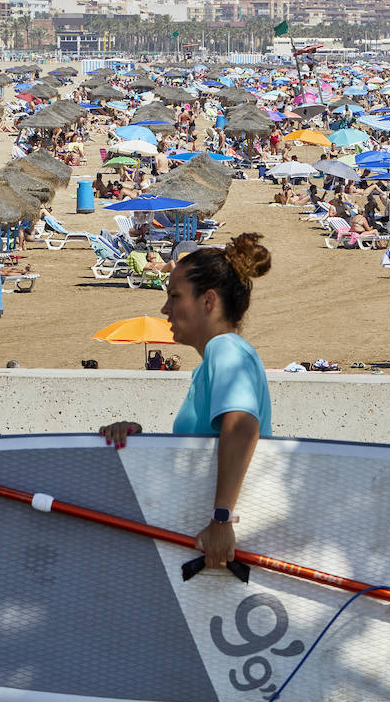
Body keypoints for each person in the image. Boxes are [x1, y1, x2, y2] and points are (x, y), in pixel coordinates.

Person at [98, 233, 273, 570]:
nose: (165, 309)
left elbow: (241, 429)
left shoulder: (226, 349)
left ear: (208, 301)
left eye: (175, 296)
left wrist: (222, 520)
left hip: (221, 545)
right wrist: (141, 443)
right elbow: (203, 450)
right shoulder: (211, 362)